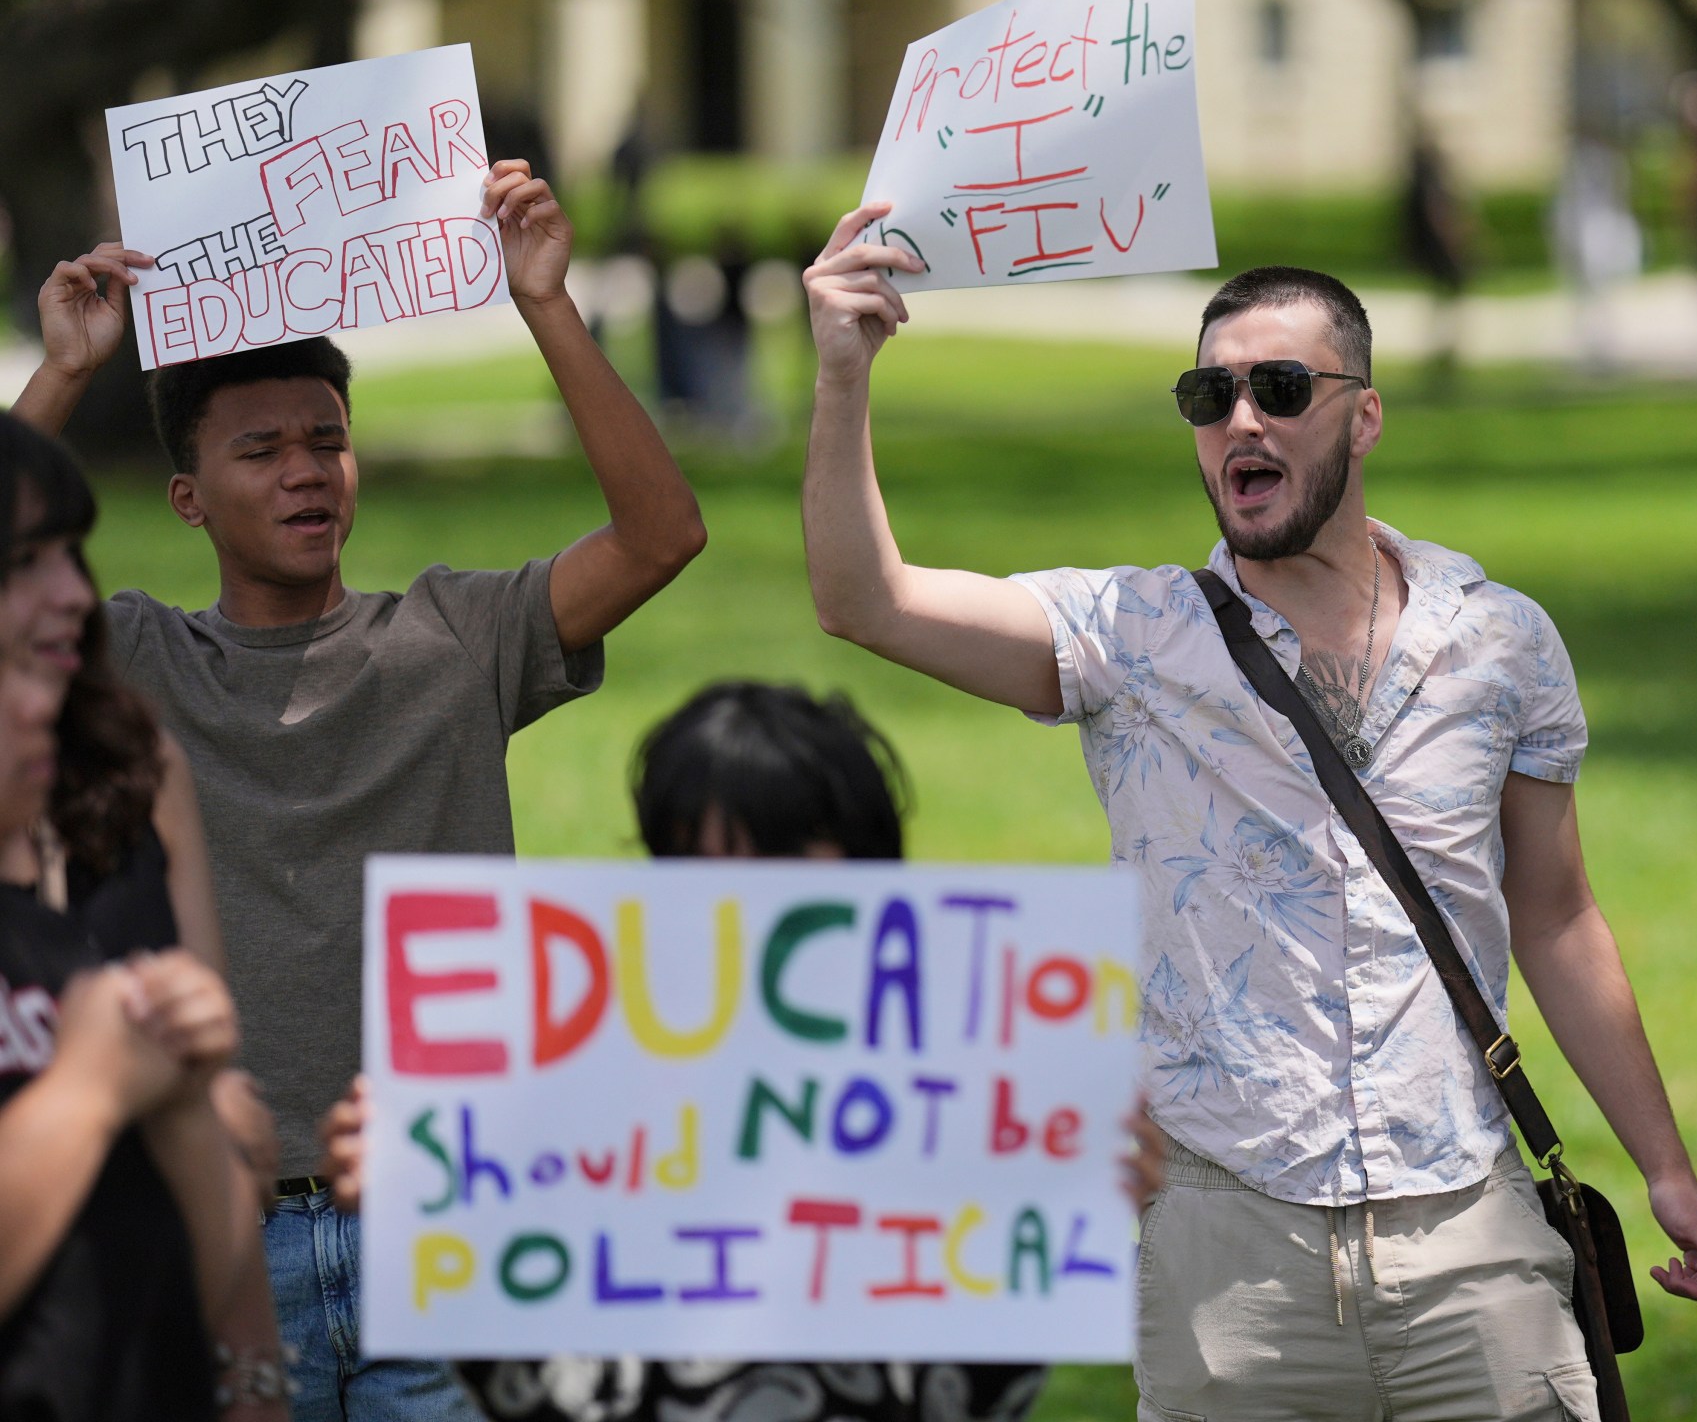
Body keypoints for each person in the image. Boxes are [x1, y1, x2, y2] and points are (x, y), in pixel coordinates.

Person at [800, 211, 1697, 1420]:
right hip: (1226, 1252)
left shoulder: (1500, 640)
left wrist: (1663, 1166)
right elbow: (862, 600)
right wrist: (843, 376)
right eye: (1210, 393)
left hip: (1466, 1225)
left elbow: (1558, 918)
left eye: (1280, 388)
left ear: (1363, 415)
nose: (1241, 419)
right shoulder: (1130, 639)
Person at [14, 159, 708, 1421]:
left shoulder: (456, 636)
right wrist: (63, 371)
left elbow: (662, 534)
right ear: (186, 498)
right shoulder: (137, 663)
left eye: (327, 442)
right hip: (221, 1227)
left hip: (441, 1215)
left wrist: (547, 303)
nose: (305, 471)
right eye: (262, 449)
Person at [319, 680, 1164, 1421]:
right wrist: (428, 1213)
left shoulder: (956, 1115)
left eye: (784, 860)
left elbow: (976, 1395)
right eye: (701, 865)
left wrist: (1069, 1202)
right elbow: (550, 1396)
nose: (743, 902)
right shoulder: (601, 1124)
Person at [0, 414, 273, 1419]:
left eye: (71, 553)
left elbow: (219, 1131)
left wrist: (255, 1383)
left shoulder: (132, 767)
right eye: (24, 562)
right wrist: (93, 1086)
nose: (74, 591)